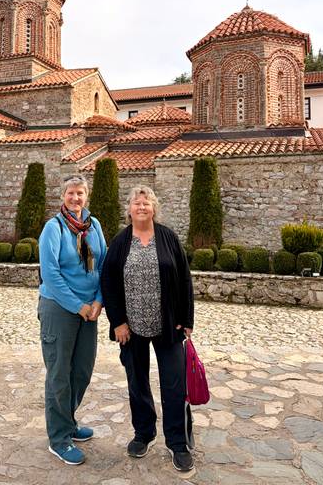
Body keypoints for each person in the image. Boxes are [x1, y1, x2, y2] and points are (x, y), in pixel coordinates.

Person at [101, 185, 195, 474]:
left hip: (167, 325)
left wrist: (186, 319)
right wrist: (118, 322)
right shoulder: (120, 241)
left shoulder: (168, 238)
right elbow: (109, 283)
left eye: (146, 203)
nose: (141, 207)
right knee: (137, 383)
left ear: (154, 208)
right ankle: (143, 434)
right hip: (131, 328)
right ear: (129, 209)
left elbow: (184, 278)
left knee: (174, 383)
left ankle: (178, 442)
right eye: (136, 203)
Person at [38, 174, 106, 465]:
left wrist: (99, 301)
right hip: (59, 309)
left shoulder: (94, 226)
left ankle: (69, 420)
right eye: (71, 194)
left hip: (89, 310)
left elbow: (103, 265)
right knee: (59, 375)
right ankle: (59, 438)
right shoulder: (53, 229)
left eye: (80, 193)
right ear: (62, 197)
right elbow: (50, 274)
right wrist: (77, 306)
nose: (76, 198)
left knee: (81, 371)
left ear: (86, 197)